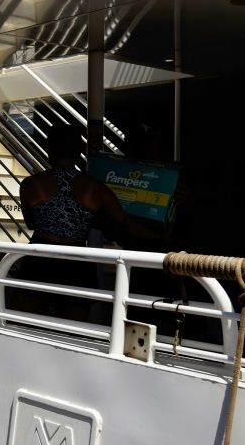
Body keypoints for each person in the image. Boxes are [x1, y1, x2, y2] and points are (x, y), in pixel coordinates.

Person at [17, 124, 161, 319]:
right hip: (76, 262)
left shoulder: (30, 185)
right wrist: (163, 238)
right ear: (78, 153)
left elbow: (31, 223)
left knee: (23, 324)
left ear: (49, 150)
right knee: (75, 330)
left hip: (39, 259)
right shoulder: (97, 188)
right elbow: (126, 224)